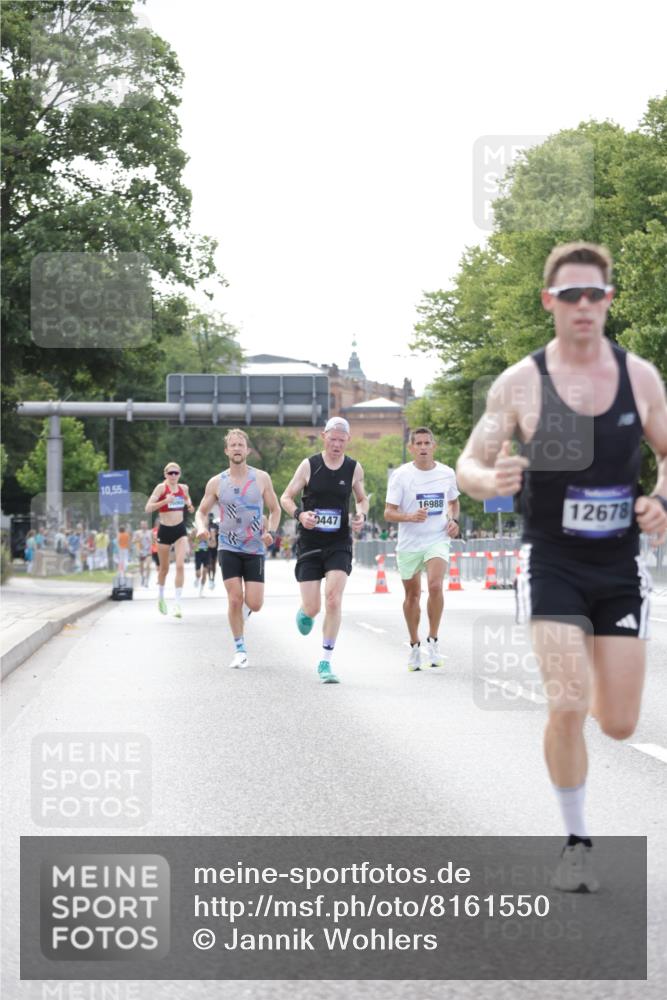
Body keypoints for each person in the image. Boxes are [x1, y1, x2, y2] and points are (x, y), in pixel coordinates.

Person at [455, 241, 667, 892]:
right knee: (567, 700)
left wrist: (657, 499)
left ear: (608, 302)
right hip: (549, 560)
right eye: (569, 295)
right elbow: (467, 464)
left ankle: (598, 698)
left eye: (594, 295)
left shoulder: (639, 379)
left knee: (620, 721)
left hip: (616, 566)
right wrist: (490, 481)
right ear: (549, 302)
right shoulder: (520, 384)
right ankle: (576, 841)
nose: (583, 306)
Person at [280, 416, 369, 684]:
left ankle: (325, 661)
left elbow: (362, 499)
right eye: (333, 439)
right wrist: (299, 514)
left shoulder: (354, 468)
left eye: (342, 440)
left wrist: (361, 515)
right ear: (324, 437)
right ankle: (305, 610)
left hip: (339, 542)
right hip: (310, 542)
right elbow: (286, 496)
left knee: (333, 599)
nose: (337, 445)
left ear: (348, 440)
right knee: (313, 606)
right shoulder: (309, 465)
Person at [195, 429, 280, 668]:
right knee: (234, 599)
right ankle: (240, 649)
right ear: (226, 451)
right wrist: (201, 527)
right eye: (232, 445)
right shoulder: (217, 482)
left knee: (254, 604)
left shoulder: (261, 478)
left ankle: (242, 614)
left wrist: (270, 532)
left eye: (240, 445)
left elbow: (275, 509)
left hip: (254, 548)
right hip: (228, 546)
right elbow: (201, 512)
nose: (236, 448)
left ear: (247, 450)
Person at [384, 427, 461, 671]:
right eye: (418, 443)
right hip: (409, 543)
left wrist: (453, 521)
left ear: (434, 446)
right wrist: (409, 516)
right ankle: (415, 644)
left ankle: (433, 640)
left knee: (436, 585)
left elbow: (454, 502)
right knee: (412, 596)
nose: (424, 447)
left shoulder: (446, 473)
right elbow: (388, 512)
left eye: (427, 443)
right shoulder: (401, 476)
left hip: (437, 538)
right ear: (411, 448)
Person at [145, 462, 195, 617]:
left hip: (180, 530)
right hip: (164, 530)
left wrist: (190, 505)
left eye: (176, 473)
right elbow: (148, 508)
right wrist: (164, 502)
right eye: (170, 473)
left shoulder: (184, 488)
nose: (173, 476)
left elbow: (188, 500)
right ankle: (160, 597)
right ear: (165, 474)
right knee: (164, 569)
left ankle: (177, 604)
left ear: (179, 474)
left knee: (180, 566)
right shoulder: (161, 488)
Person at [133, 520, 153, 587]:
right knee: (141, 567)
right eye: (142, 524)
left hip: (148, 552)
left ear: (147, 525)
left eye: (145, 524)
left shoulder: (150, 532)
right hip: (141, 552)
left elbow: (154, 541)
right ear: (141, 525)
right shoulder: (137, 532)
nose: (144, 526)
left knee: (148, 566)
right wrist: (138, 539)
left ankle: (147, 581)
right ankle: (142, 577)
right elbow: (133, 541)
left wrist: (152, 541)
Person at [190, 525, 209, 596]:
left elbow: (211, 539)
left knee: (204, 573)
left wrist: (207, 538)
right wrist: (193, 544)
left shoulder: (207, 530)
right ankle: (197, 579)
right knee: (198, 573)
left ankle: (201, 590)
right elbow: (190, 539)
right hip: (198, 552)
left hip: (206, 553)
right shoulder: (195, 530)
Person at [206, 517, 218, 590]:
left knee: (213, 564)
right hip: (208, 547)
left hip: (215, 547)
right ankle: (209, 579)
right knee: (209, 564)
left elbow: (219, 535)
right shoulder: (206, 526)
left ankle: (212, 578)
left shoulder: (216, 526)